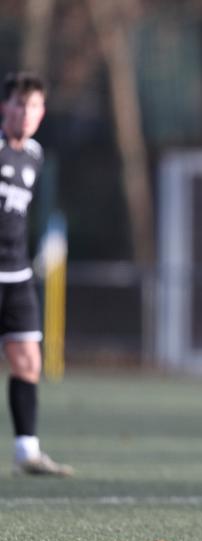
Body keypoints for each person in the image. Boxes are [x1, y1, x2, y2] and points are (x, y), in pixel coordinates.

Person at [1, 72, 72, 476]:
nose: (27, 113)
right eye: (20, 104)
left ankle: (27, 451)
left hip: (17, 272)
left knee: (28, 360)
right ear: (5, 107)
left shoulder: (34, 154)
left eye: (34, 106)